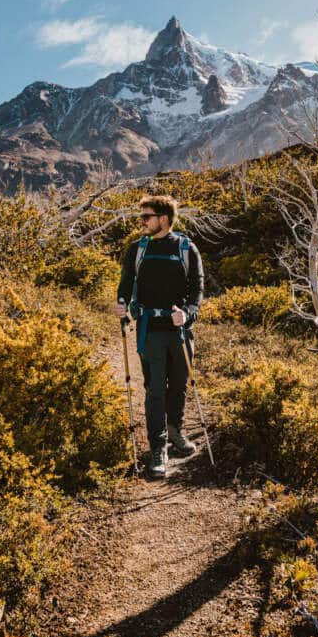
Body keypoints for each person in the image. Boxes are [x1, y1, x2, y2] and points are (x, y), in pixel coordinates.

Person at [114, 195, 204, 478]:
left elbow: (197, 290)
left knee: (178, 384)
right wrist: (120, 302)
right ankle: (158, 448)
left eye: (146, 217)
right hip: (149, 330)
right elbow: (126, 283)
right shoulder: (137, 249)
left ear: (163, 219)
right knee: (154, 389)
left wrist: (187, 314)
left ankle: (175, 431)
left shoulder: (187, 248)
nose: (141, 222)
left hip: (179, 329)